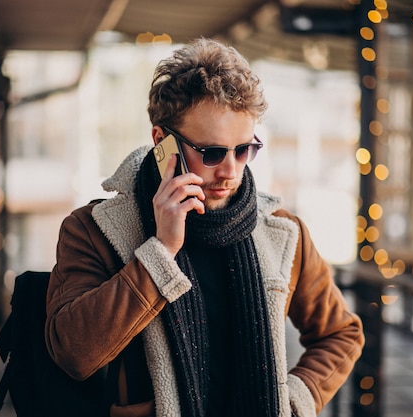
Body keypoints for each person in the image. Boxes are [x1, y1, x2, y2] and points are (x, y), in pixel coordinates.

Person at [45, 37, 364, 417]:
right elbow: (73, 353)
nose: (230, 171)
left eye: (244, 150)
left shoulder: (282, 232)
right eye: (211, 153)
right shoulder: (94, 230)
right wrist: (159, 253)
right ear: (162, 142)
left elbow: (341, 334)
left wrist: (295, 398)